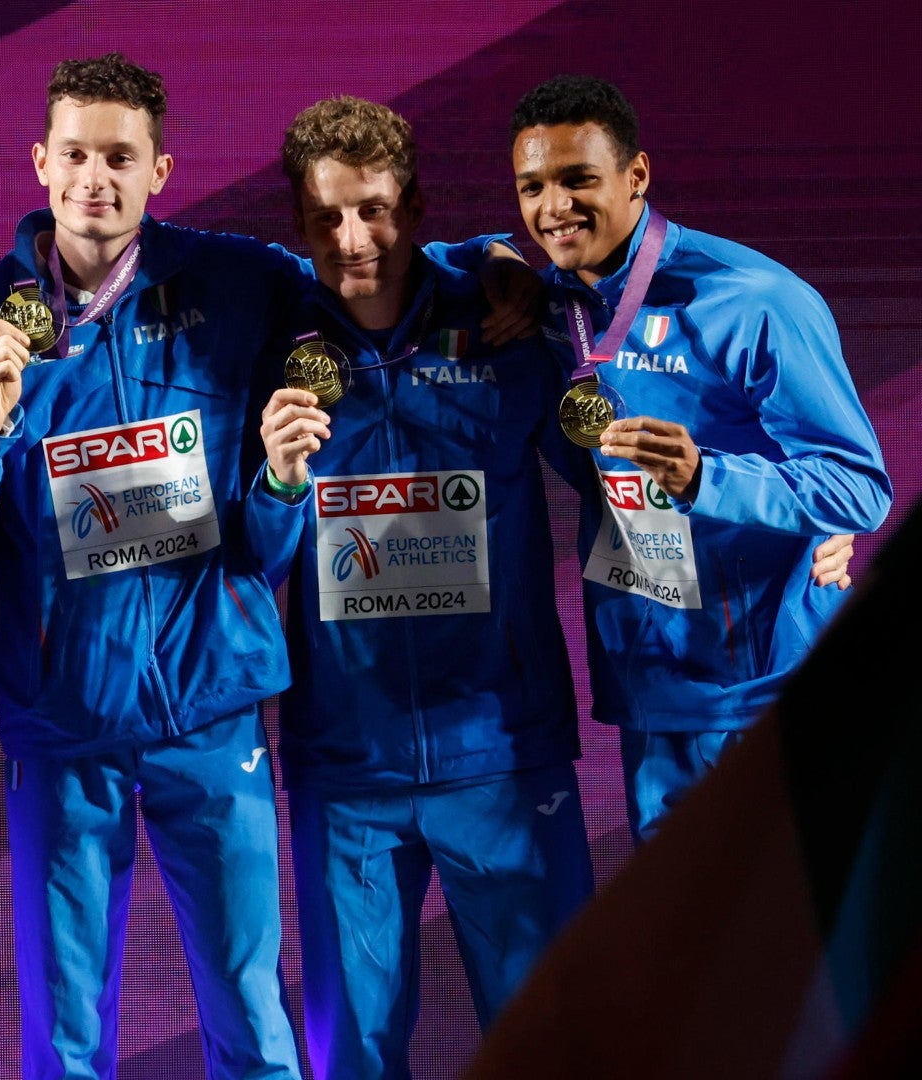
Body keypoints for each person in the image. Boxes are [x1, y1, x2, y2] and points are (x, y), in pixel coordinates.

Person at [0, 52, 312, 1079]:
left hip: (210, 710)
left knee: (253, 1017)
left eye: (121, 157)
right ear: (41, 164)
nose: (98, 178)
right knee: (66, 1036)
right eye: (77, 154)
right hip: (65, 720)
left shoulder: (240, 286)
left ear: (161, 170)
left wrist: (485, 272)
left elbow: (366, 274)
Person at [258, 95, 593, 1080]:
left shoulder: (505, 323)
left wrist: (807, 515)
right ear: (300, 226)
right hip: (348, 772)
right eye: (327, 219)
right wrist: (275, 481)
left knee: (550, 1042)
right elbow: (252, 541)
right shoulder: (267, 345)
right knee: (353, 1056)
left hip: (504, 757)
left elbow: (615, 472)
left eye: (374, 210)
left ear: (412, 207)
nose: (353, 240)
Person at [508, 74, 891, 844]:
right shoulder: (545, 306)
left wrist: (708, 479)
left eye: (579, 179)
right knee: (684, 951)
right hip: (653, 683)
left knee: (798, 942)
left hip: (767, 683)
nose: (554, 208)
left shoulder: (754, 301)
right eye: (532, 186)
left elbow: (859, 489)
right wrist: (485, 257)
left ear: (636, 175)